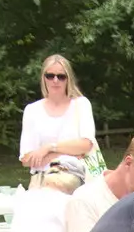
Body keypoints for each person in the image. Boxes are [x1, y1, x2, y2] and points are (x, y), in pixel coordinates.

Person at [20, 54, 97, 185]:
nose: (55, 80)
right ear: (43, 78)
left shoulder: (81, 104)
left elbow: (86, 145)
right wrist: (69, 154)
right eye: (50, 76)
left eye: (61, 76)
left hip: (77, 181)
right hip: (43, 182)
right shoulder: (32, 110)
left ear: (68, 79)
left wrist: (48, 148)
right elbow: (26, 159)